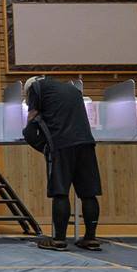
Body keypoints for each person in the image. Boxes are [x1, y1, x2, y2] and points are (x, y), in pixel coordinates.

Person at [24, 76, 102, 251]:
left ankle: (58, 239)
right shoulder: (73, 89)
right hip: (86, 143)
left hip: (61, 145)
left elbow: (32, 117)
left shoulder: (36, 87)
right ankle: (91, 238)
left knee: (60, 192)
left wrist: (39, 142)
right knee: (88, 194)